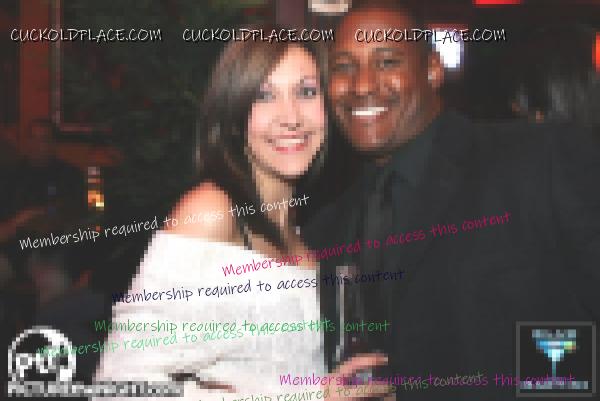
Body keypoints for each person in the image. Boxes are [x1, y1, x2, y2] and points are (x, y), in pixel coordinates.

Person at [304, 3, 600, 401]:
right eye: (343, 67)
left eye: (387, 61)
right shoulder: (328, 229)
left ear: (432, 69)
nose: (362, 85)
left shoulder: (537, 161)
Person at [94, 27, 328, 400]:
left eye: (306, 92)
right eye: (264, 95)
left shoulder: (306, 226)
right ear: (233, 114)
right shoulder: (211, 213)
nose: (291, 117)